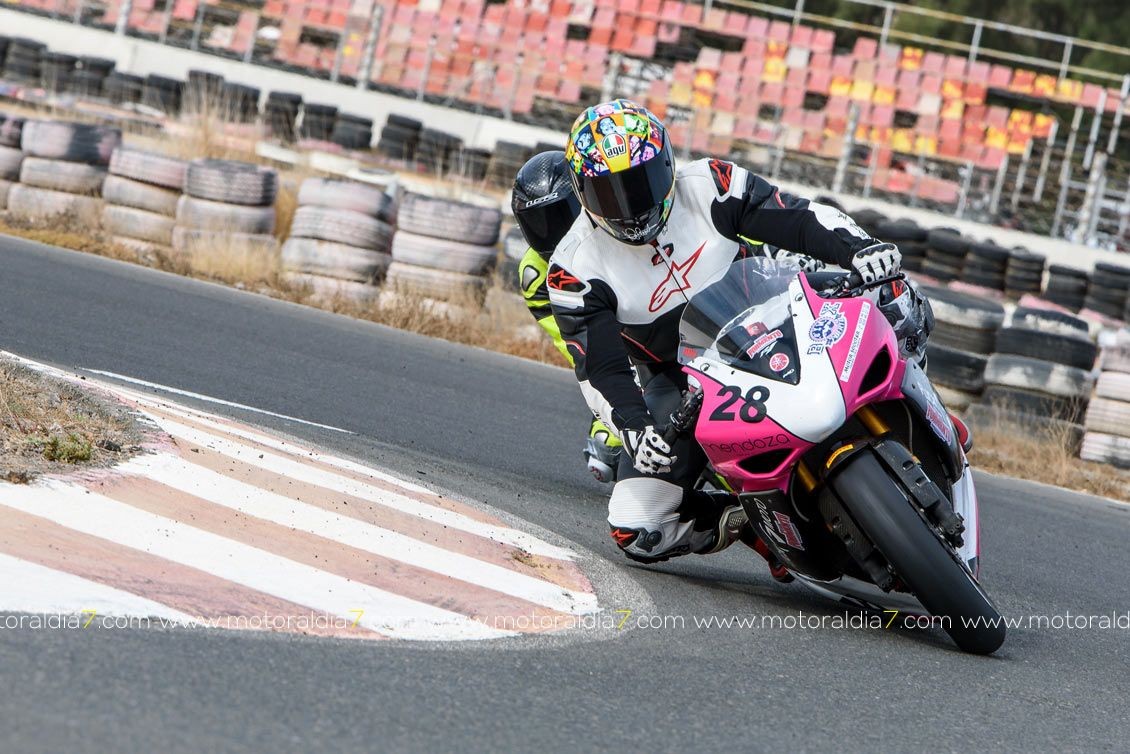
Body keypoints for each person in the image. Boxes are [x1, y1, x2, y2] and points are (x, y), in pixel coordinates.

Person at [547, 99, 949, 566]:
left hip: (775, 310)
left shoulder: (709, 183)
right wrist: (634, 427)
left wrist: (860, 248)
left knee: (892, 292)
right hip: (683, 380)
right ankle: (756, 523)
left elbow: (795, 215)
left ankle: (923, 404)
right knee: (637, 527)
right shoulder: (573, 269)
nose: (632, 206)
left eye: (641, 183)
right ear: (582, 193)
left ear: (667, 165)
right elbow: (600, 368)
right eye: (610, 194)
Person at [511, 150, 623, 482]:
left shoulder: (619, 227)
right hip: (614, 347)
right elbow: (576, 345)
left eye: (561, 216)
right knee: (605, 453)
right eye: (539, 224)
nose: (552, 232)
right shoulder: (536, 274)